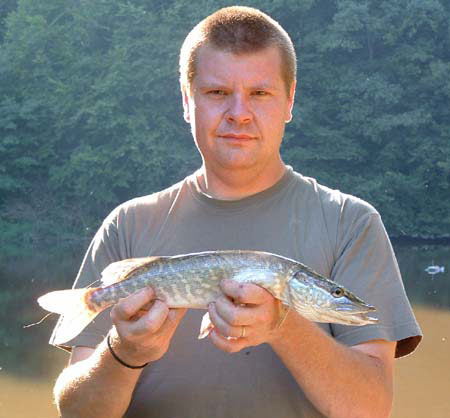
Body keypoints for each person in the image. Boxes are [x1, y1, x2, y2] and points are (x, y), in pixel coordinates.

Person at [50, 6, 422, 418]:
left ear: (289, 100)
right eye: (217, 93)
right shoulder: (127, 225)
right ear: (187, 101)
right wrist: (124, 352)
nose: (239, 113)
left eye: (260, 93)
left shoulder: (350, 223)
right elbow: (77, 413)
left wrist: (283, 326)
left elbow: (370, 408)